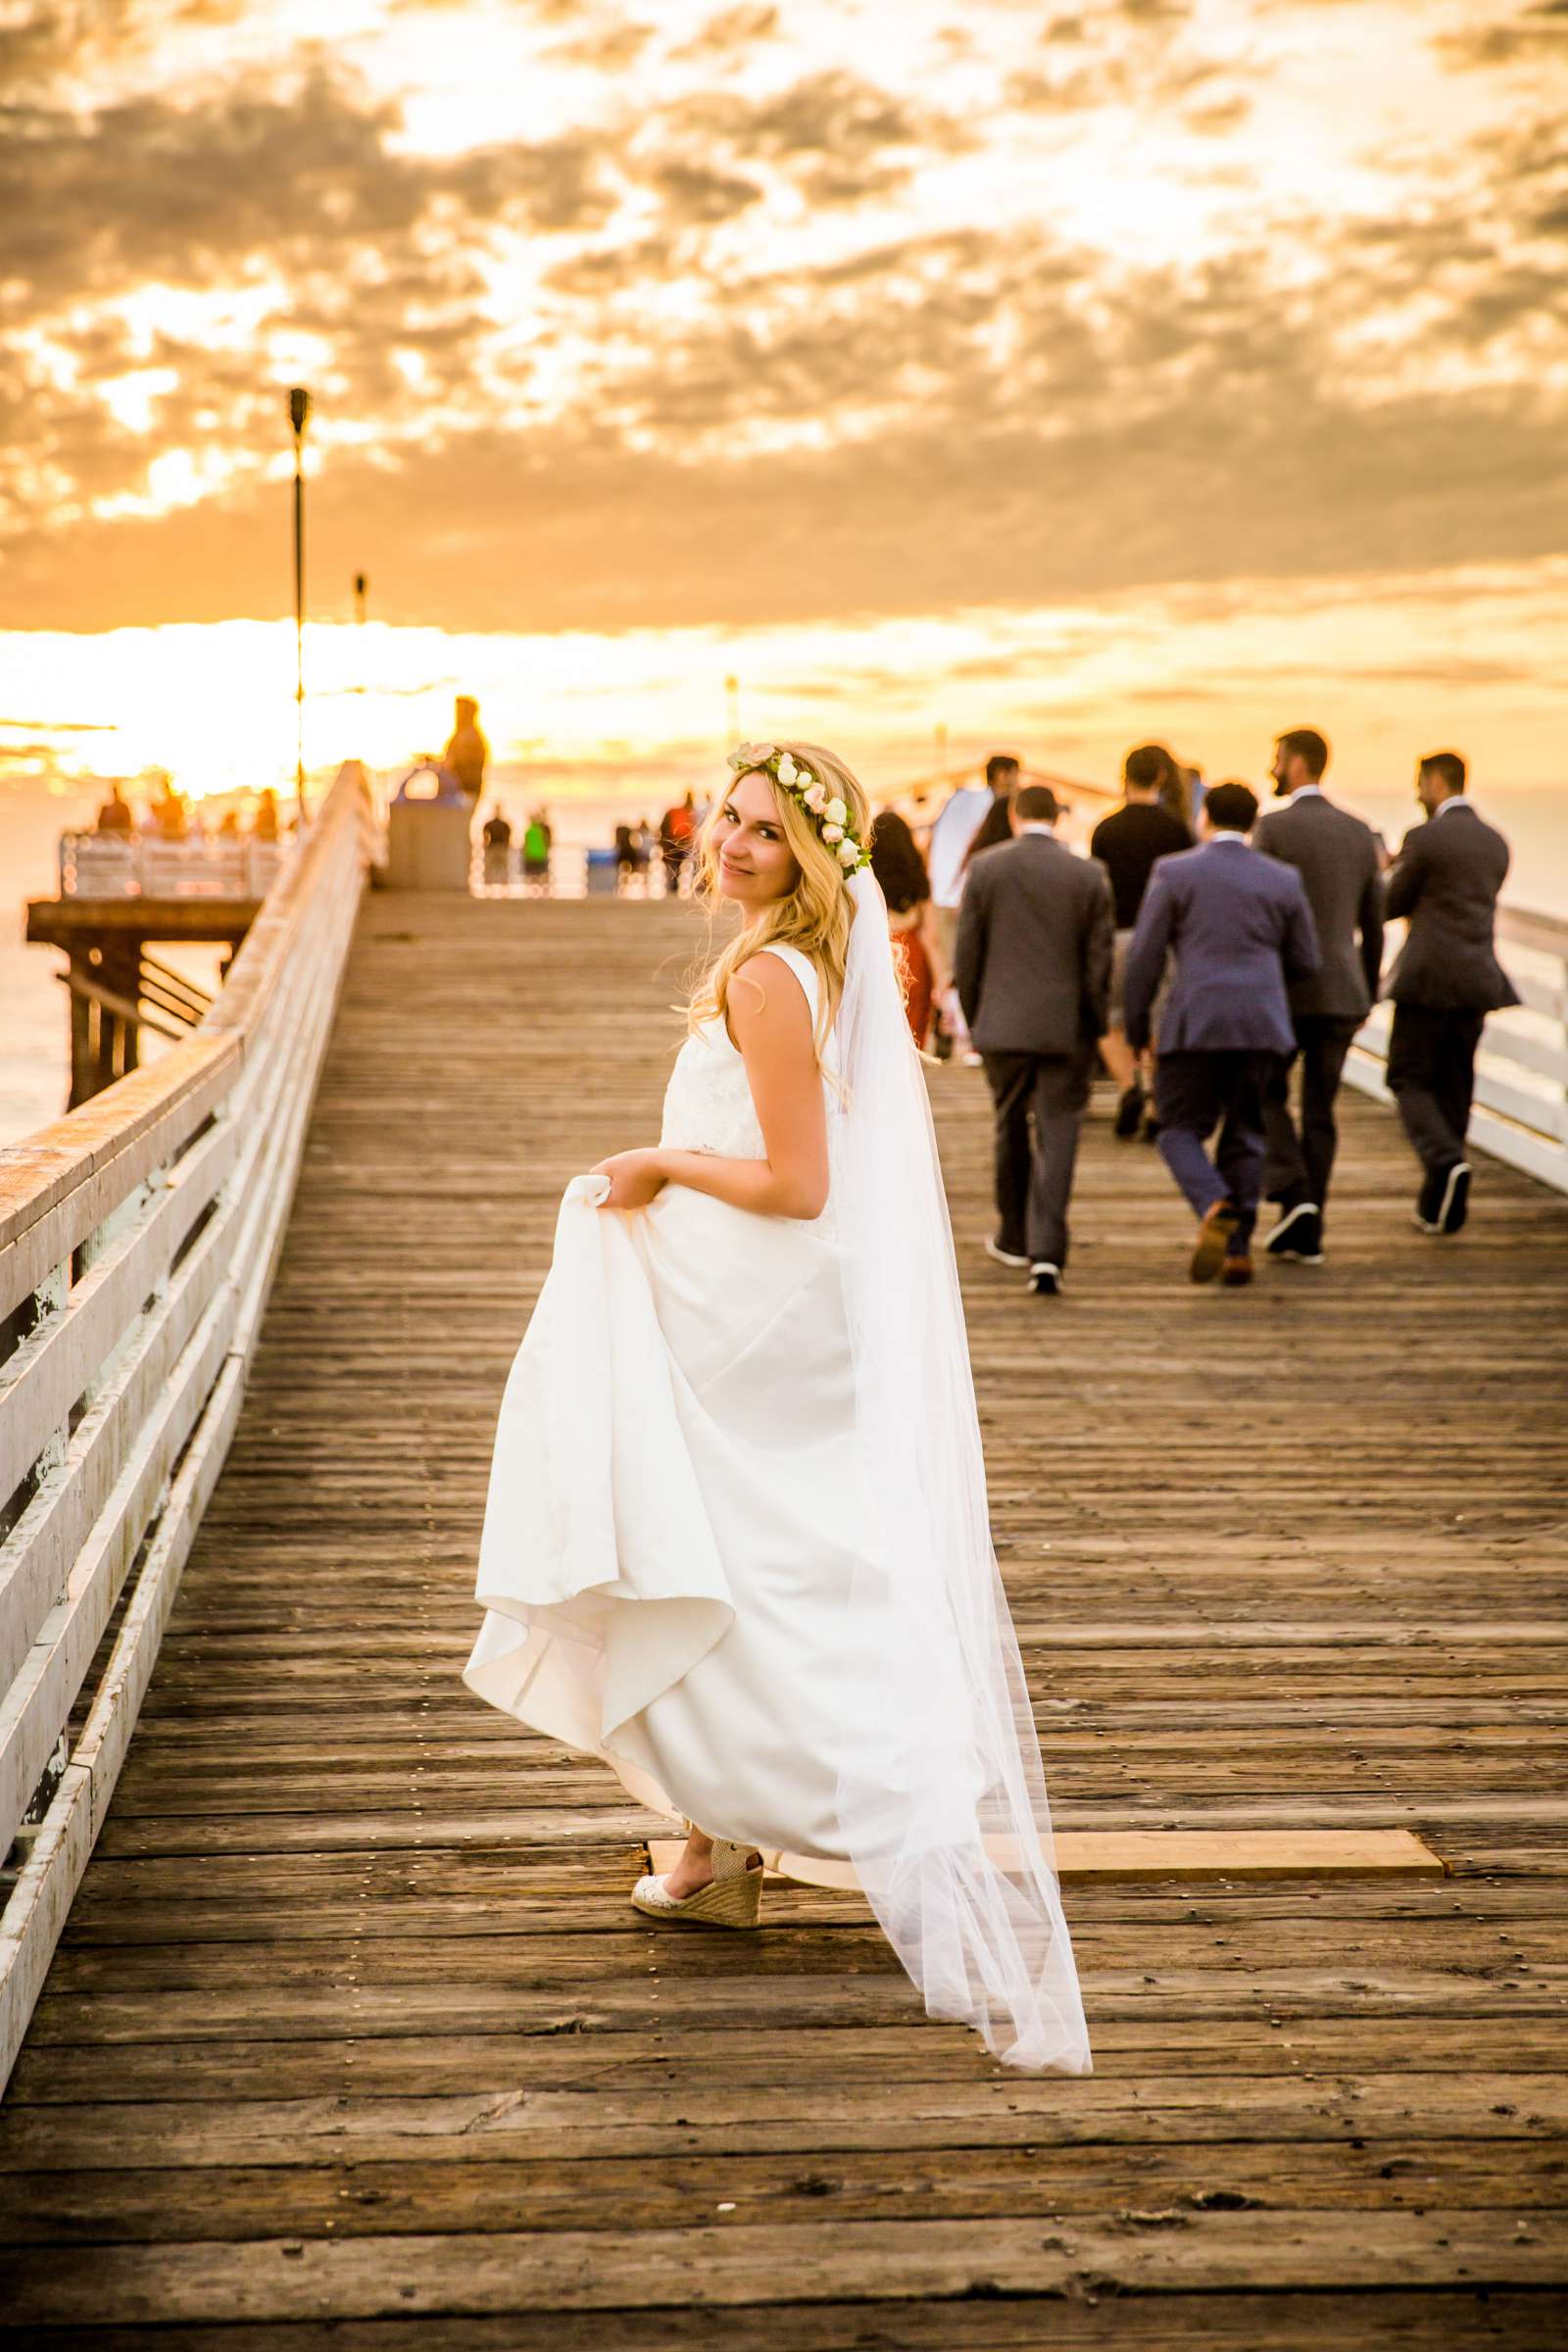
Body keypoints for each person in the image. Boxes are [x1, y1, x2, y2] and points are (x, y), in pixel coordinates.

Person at [465, 739, 1090, 2077]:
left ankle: (785, 1812)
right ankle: (713, 1843)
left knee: (714, 1536)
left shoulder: (766, 973)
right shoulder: (823, 962)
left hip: (753, 1300)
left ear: (811, 854)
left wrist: (651, 1159)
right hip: (777, 1298)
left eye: (764, 831)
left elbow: (798, 1180)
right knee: (751, 1543)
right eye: (730, 822)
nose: (735, 845)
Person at [1123, 781, 1319, 1288]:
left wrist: (1139, 1024)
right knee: (1247, 1132)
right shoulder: (1283, 879)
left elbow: (1145, 957)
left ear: (1205, 816)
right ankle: (1238, 1252)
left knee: (1177, 1128)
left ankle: (1213, 1203)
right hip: (1261, 1024)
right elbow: (1305, 960)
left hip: (1195, 1022)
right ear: (1253, 822)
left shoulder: (1175, 871)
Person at [953, 785, 1113, 1297]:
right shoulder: (1089, 874)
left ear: (1017, 815)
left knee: (1009, 1126)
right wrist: (1092, 1024)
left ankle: (1013, 1236)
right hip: (1066, 1028)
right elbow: (1098, 963)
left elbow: (968, 958)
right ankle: (1047, 1254)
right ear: (1058, 818)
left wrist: (979, 1020)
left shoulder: (986, 868)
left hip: (1002, 1025)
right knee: (1059, 1134)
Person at [1254, 728, 1385, 1265]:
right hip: (1342, 993)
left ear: (1300, 764)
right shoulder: (1360, 833)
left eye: (1278, 760)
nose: (1272, 769)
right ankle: (1309, 1226)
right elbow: (1373, 924)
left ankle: (1295, 1193)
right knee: (1321, 1111)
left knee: (1262, 1091)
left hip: (1283, 991)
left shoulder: (1273, 828)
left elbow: (1258, 913)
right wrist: (1368, 991)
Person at [1383, 752, 1518, 1237]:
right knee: (1455, 1084)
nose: (1418, 794)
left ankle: (1443, 1160)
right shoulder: (1494, 842)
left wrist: (1387, 870)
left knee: (1406, 1076)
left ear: (1437, 782)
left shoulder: (1425, 838)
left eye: (1420, 784)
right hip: (1477, 977)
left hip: (1427, 979)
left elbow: (1390, 903)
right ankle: (1439, 1206)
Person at [1089, 746, 1192, 1138]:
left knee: (1109, 1020)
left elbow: (1098, 893)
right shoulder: (1176, 830)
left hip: (1116, 934)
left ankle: (1129, 1085)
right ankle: (1155, 1102)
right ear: (1162, 778)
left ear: (1125, 776)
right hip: (1163, 941)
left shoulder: (1105, 830)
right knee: (1160, 1020)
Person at [869, 808, 945, 1049]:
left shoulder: (865, 876)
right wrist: (942, 981)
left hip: (876, 954)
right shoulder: (917, 875)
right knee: (912, 1032)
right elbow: (931, 936)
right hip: (913, 958)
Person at [444, 698, 488, 803]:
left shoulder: (469, 736)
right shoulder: (463, 734)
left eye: (460, 710)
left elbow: (456, 761)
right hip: (457, 791)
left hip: (463, 792)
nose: (457, 714)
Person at [659, 793, 697, 893]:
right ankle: (673, 888)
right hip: (676, 843)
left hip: (675, 843)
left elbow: (662, 828)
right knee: (675, 867)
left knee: (674, 867)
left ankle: (672, 888)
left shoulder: (678, 812)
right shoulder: (682, 812)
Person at [482, 803, 513, 887]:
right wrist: (486, 844)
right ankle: (488, 885)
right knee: (489, 867)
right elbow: (485, 834)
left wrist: (507, 844)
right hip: (493, 847)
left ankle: (504, 885)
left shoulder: (504, 824)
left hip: (500, 847)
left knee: (504, 867)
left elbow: (508, 835)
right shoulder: (491, 823)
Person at [522, 808, 552, 887]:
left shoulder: (528, 831)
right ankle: (543, 890)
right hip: (540, 854)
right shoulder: (541, 830)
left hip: (531, 855)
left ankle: (533, 891)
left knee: (532, 874)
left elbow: (525, 844)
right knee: (542, 873)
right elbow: (547, 842)